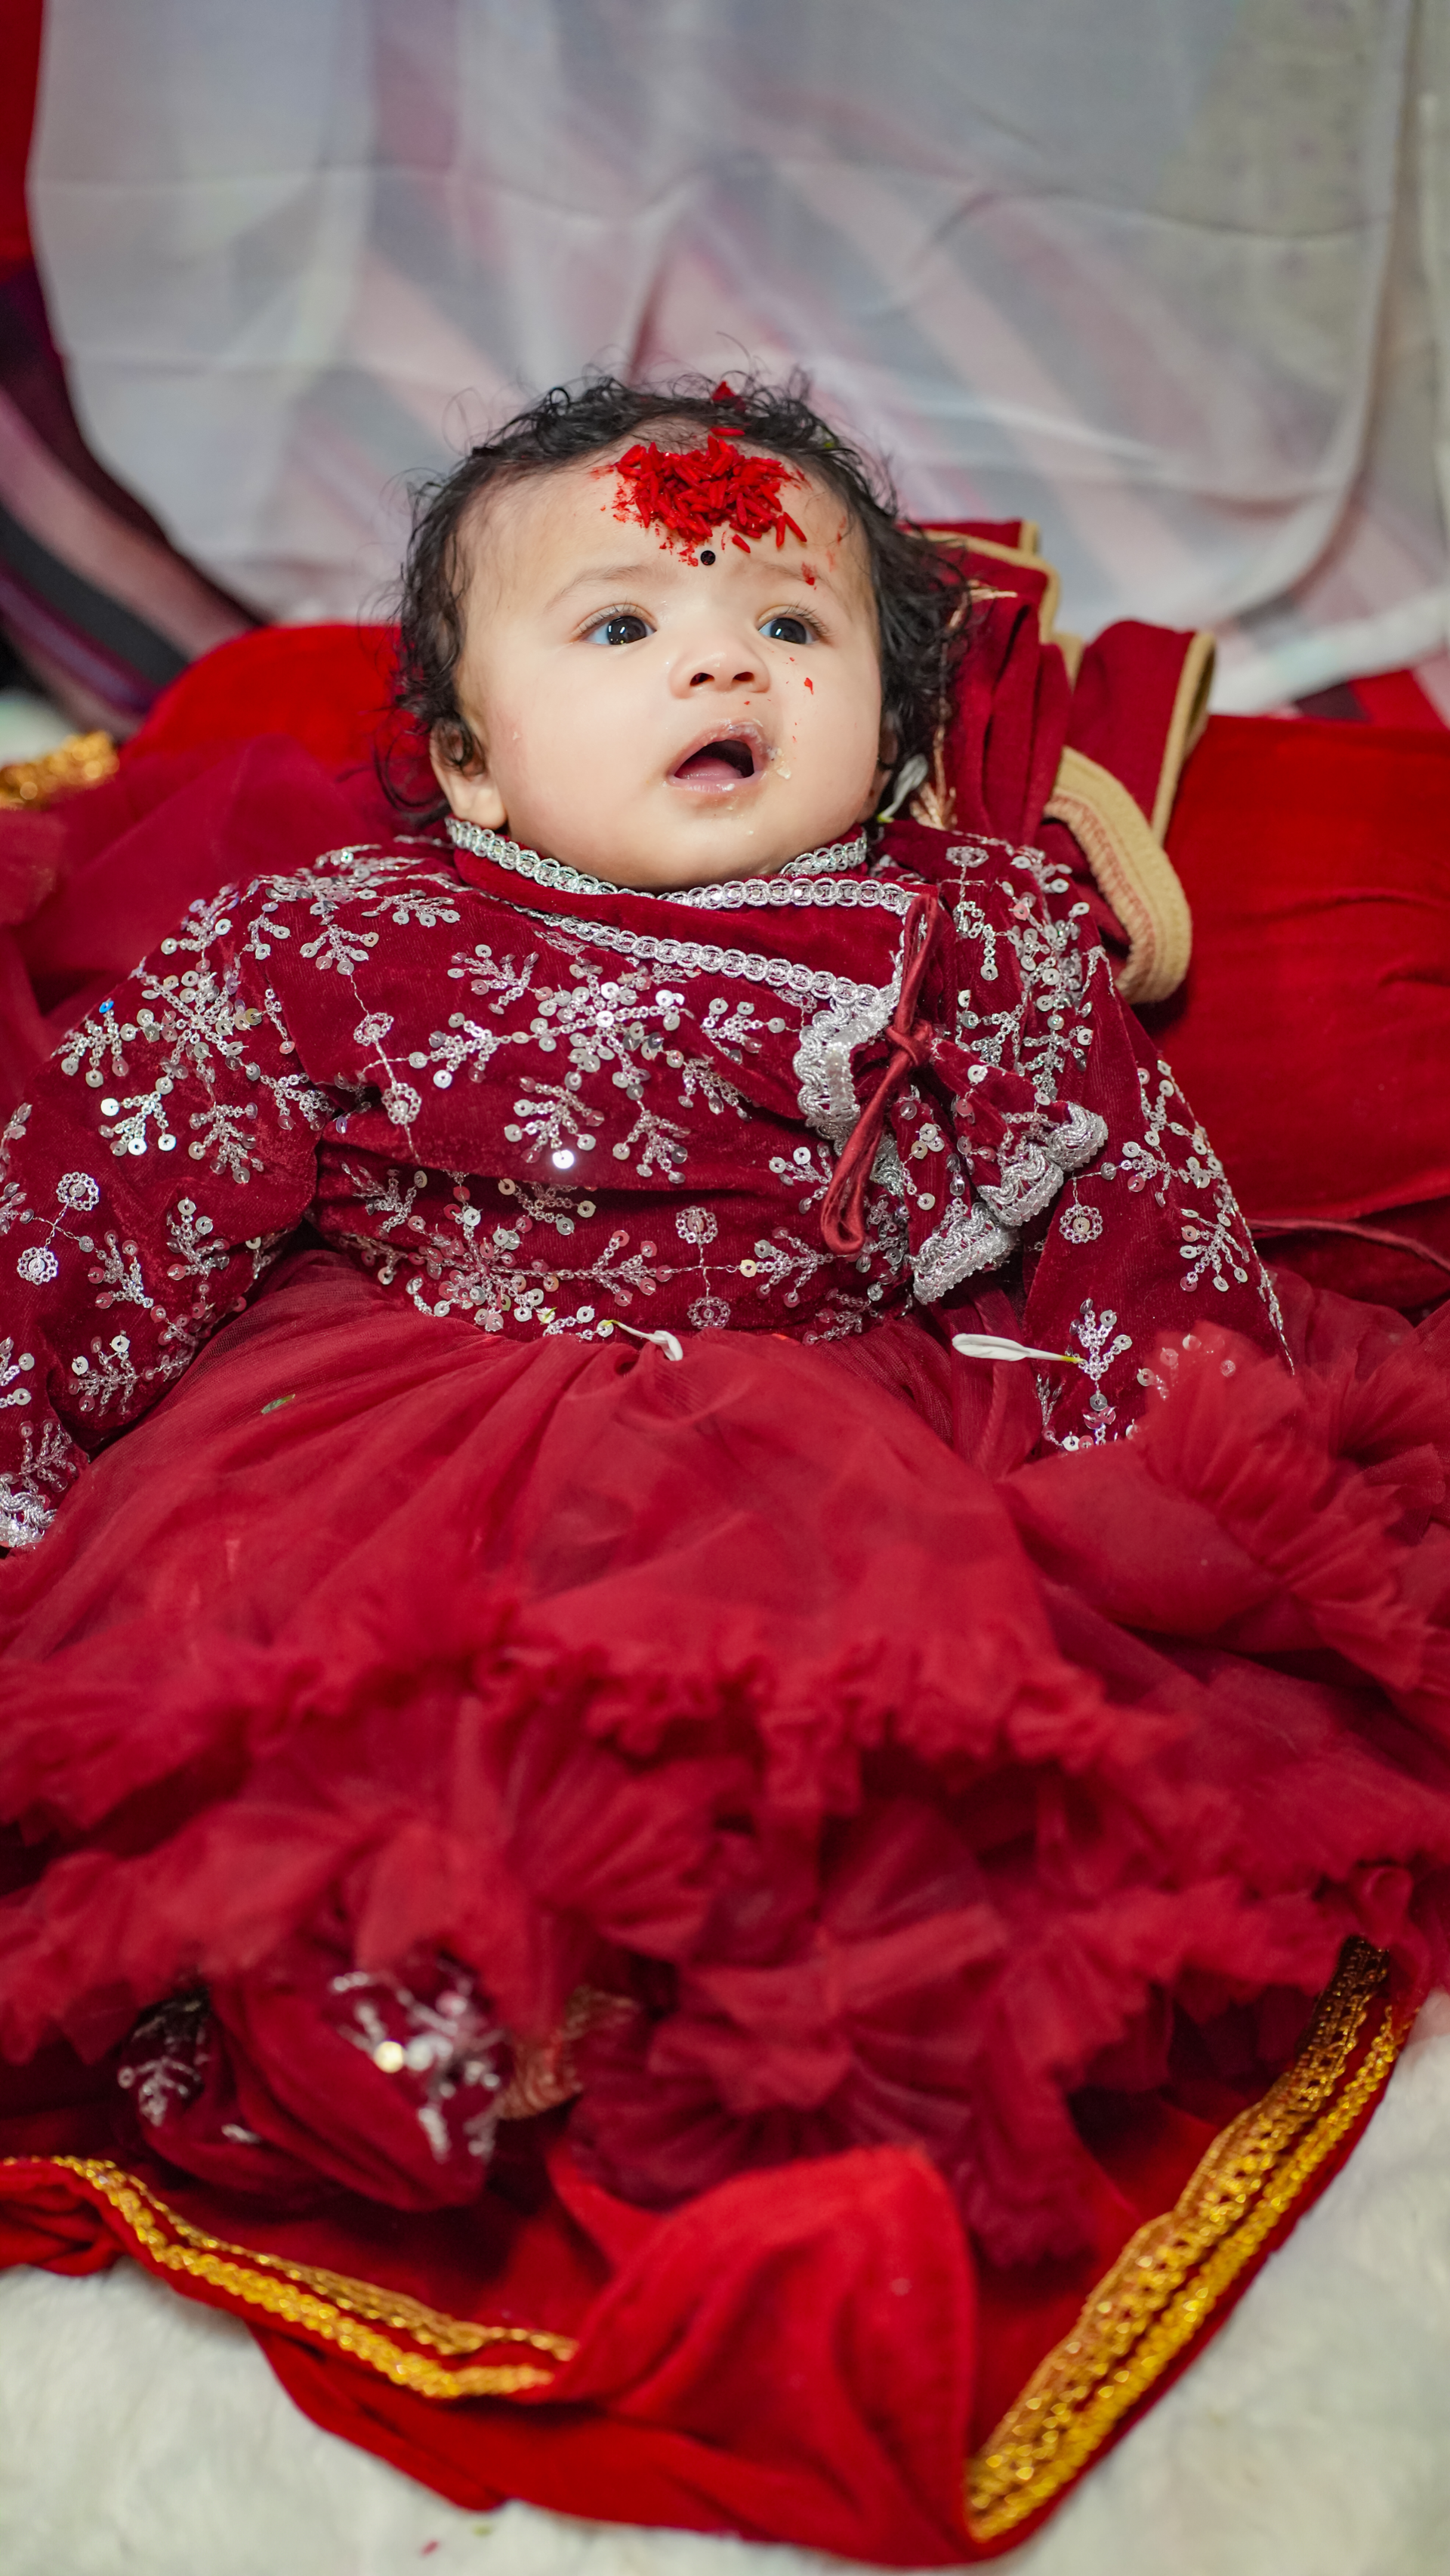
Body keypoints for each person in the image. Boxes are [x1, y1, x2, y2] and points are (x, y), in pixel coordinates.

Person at [0, 372, 1447, 2285]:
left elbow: (1125, 1203)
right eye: (623, 628)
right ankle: (393, 1989)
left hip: (833, 1443)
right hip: (415, 1431)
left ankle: (675, 2000)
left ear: (889, 728)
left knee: (844, 1767)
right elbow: (117, 1186)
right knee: (341, 1719)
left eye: (792, 625)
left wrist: (1191, 1468)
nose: (722, 666)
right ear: (472, 762)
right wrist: (25, 1447)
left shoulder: (977, 930)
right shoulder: (341, 937)